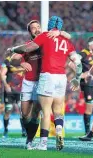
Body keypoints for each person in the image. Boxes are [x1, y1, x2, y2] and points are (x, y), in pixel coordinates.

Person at [7, 16, 82, 151]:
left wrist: (13, 48)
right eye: (33, 28)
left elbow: (66, 54)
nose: (36, 29)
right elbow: (13, 59)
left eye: (38, 27)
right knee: (26, 114)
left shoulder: (45, 37)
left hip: (43, 80)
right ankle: (52, 132)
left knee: (39, 113)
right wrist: (21, 62)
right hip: (32, 82)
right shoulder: (34, 42)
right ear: (30, 31)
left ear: (44, 27)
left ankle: (32, 141)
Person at [0, 54, 26, 138]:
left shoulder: (24, 61)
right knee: (8, 110)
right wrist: (6, 85)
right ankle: (6, 130)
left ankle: (24, 130)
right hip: (10, 91)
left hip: (20, 90)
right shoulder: (7, 61)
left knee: (22, 111)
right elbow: (2, 75)